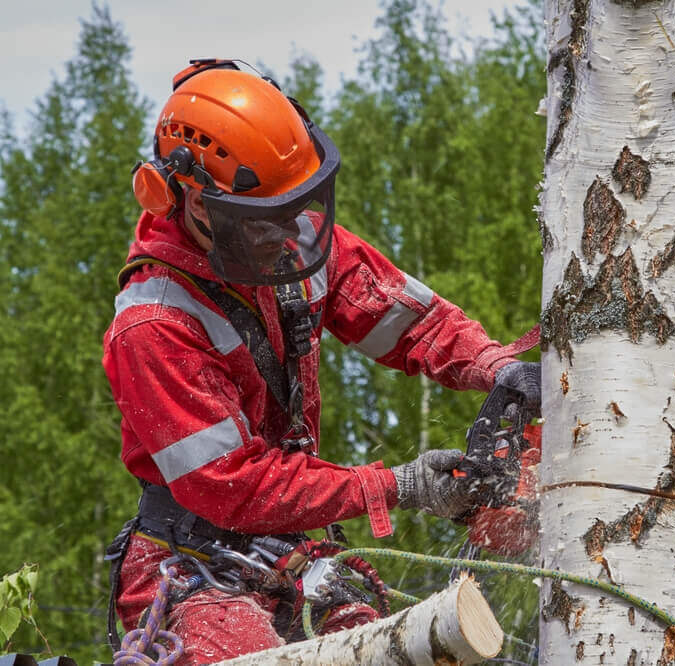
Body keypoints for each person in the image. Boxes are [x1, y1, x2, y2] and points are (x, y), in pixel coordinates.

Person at [102, 59, 540, 664]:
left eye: (293, 208)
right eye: (263, 220)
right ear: (193, 202)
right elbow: (233, 483)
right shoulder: (154, 326)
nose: (287, 233)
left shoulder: (283, 238)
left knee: (390, 649)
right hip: (195, 567)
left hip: (294, 547)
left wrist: (495, 368)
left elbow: (409, 321)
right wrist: (395, 486)